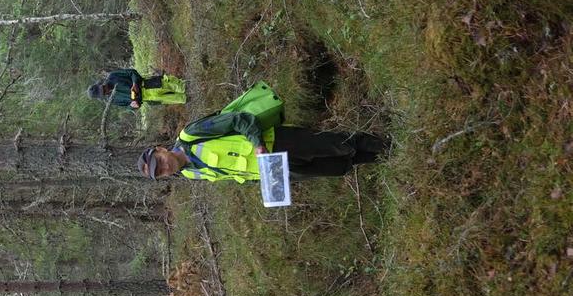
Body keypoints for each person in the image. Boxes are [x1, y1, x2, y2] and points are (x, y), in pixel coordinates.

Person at [137, 82, 390, 182]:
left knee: (335, 144)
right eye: (159, 172)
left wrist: (258, 144)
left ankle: (387, 146)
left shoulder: (192, 134)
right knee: (336, 167)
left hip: (276, 142)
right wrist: (266, 182)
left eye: (159, 162)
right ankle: (383, 159)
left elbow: (238, 120)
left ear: (161, 150)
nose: (164, 168)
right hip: (274, 171)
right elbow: (234, 173)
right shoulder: (192, 174)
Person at [87, 68, 186, 109]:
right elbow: (127, 107)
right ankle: (188, 98)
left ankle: (190, 87)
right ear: (102, 96)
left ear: (101, 84)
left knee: (180, 87)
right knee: (177, 99)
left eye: (103, 88)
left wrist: (134, 83)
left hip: (147, 85)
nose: (106, 90)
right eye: (104, 92)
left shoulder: (113, 76)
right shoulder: (112, 100)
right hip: (148, 99)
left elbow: (132, 72)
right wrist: (132, 105)